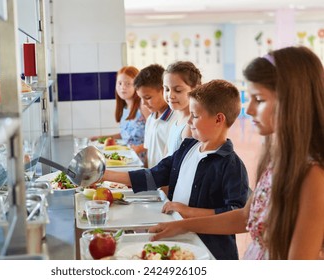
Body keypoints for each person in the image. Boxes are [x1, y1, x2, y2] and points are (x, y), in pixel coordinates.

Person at [148, 46, 324, 260]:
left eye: (259, 100)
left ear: (293, 101)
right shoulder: (278, 159)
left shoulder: (313, 174)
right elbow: (244, 216)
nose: (248, 111)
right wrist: (182, 225)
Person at [103, 79, 249, 259]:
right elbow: (154, 176)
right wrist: (104, 175)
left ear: (219, 119)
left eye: (195, 115)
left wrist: (187, 212)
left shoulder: (232, 166)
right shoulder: (188, 147)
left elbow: (235, 216)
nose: (189, 121)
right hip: (181, 241)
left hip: (212, 253)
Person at [90, 66, 149, 162]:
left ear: (137, 85)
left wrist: (139, 149)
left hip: (142, 160)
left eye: (128, 84)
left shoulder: (144, 106)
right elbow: (126, 135)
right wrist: (100, 138)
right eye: (120, 83)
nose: (123, 87)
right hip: (128, 158)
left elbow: (156, 136)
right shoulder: (125, 108)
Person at [133, 64, 179, 168]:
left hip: (165, 182)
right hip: (153, 180)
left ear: (164, 90)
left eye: (148, 97)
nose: (144, 103)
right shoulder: (151, 118)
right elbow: (149, 154)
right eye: (141, 98)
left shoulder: (175, 120)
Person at [163, 61, 202, 156]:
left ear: (195, 89)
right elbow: (165, 156)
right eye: (167, 89)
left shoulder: (191, 125)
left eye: (178, 90)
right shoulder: (176, 120)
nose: (170, 95)